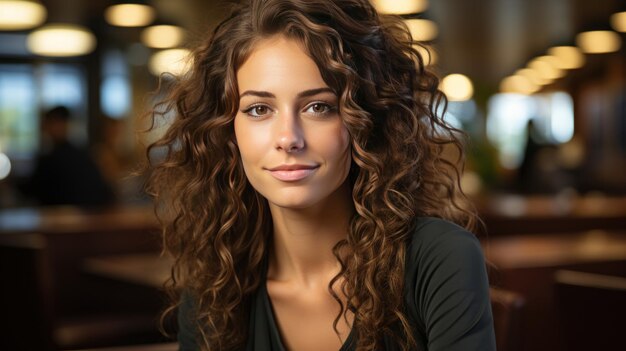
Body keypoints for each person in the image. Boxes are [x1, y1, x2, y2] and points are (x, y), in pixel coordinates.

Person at [144, 0, 495, 350]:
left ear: (365, 122)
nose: (288, 139)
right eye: (259, 109)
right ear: (226, 131)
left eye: (319, 107)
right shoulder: (215, 283)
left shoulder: (440, 258)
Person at [22, 106, 115, 207]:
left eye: (48, 123)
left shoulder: (52, 159)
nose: (44, 128)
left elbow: (33, 190)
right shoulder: (82, 155)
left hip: (56, 218)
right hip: (84, 217)